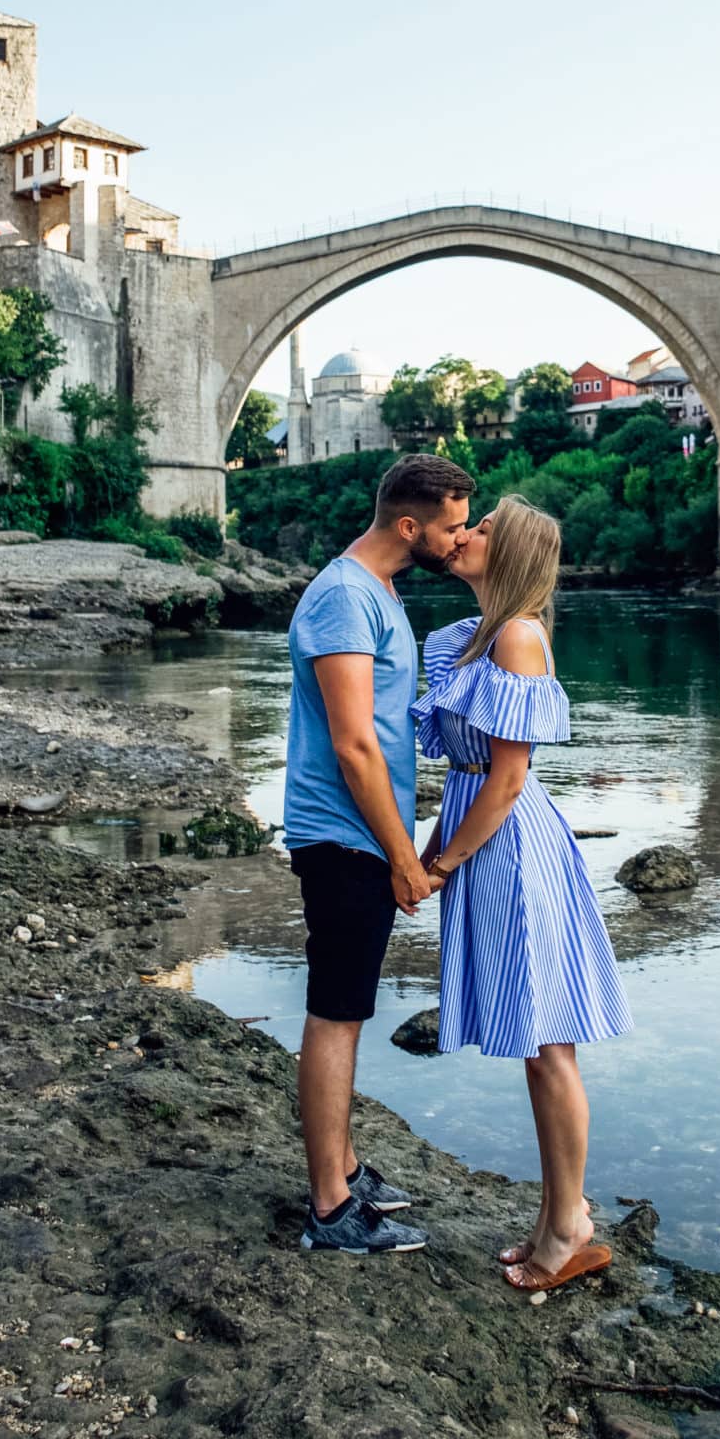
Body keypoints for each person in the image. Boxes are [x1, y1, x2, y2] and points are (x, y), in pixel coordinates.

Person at [412, 493, 633, 1293]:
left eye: (484, 530)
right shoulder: (480, 636)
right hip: (487, 837)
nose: (466, 535)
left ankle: (569, 1227)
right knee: (541, 1046)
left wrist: (439, 866)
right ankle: (553, 1220)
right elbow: (469, 776)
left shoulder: (517, 635)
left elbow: (508, 781)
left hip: (512, 846)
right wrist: (429, 853)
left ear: (511, 556)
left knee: (549, 1048)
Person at [285, 452, 474, 1255]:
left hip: (365, 834)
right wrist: (404, 853)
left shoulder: (381, 594)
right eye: (453, 526)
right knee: (337, 1014)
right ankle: (330, 1208)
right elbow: (355, 743)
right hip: (342, 835)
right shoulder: (343, 600)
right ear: (410, 526)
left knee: (351, 1010)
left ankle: (347, 1167)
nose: (459, 539)